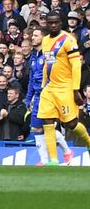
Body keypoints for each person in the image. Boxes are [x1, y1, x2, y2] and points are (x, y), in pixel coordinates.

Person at [38, 12, 90, 165]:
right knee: (47, 121)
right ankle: (53, 160)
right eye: (50, 22)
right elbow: (48, 63)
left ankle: (88, 142)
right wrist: (43, 85)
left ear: (61, 22)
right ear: (47, 24)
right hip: (50, 88)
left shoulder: (68, 40)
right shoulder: (46, 40)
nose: (53, 25)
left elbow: (75, 65)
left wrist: (75, 90)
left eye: (56, 22)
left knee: (71, 124)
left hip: (66, 87)